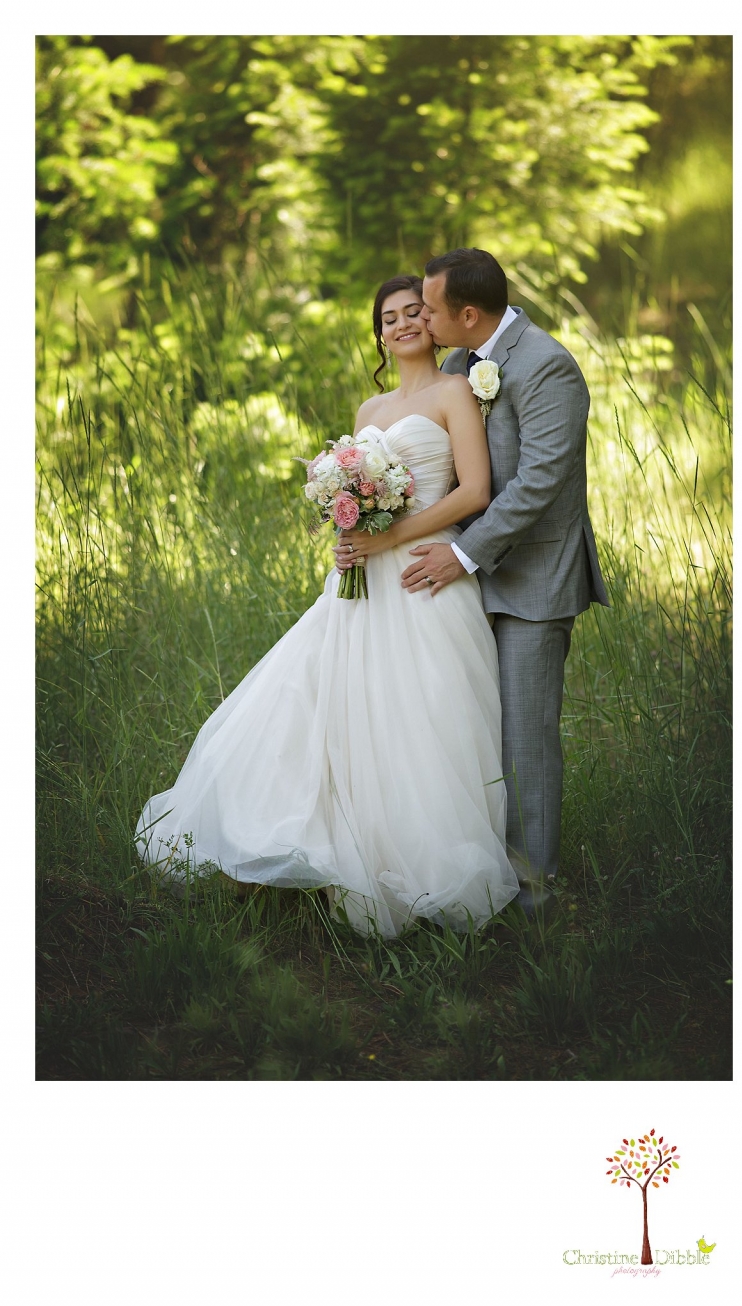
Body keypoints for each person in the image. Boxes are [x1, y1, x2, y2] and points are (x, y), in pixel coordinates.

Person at [135, 275, 520, 938]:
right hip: (359, 581)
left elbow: (475, 492)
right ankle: (314, 841)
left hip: (425, 574)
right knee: (331, 704)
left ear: (433, 323)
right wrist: (347, 533)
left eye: (413, 312)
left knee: (422, 714)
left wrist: (389, 537)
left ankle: (418, 861)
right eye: (389, 318)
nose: (403, 323)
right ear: (379, 335)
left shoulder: (455, 391)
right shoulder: (370, 408)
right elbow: (357, 495)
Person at [388, 248, 610, 915]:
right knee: (471, 726)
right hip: (472, 577)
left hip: (534, 578)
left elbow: (539, 482)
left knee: (525, 735)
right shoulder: (462, 365)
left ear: (466, 314)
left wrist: (461, 554)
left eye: (428, 309)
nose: (421, 320)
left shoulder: (547, 365)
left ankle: (533, 891)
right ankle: (479, 867)